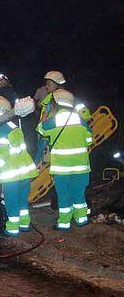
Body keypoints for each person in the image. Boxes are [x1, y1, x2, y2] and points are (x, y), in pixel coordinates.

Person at [37, 89, 92, 230]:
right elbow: (89, 139)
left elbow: (41, 130)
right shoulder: (80, 120)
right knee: (79, 194)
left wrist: (45, 114)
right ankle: (81, 219)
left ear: (55, 104)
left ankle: (64, 223)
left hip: (62, 168)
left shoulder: (53, 121)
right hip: (81, 167)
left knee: (64, 194)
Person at [0, 96, 38, 237]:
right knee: (23, 199)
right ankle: (25, 223)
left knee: (11, 201)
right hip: (25, 172)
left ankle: (12, 228)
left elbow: (2, 153)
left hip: (11, 174)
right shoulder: (14, 126)